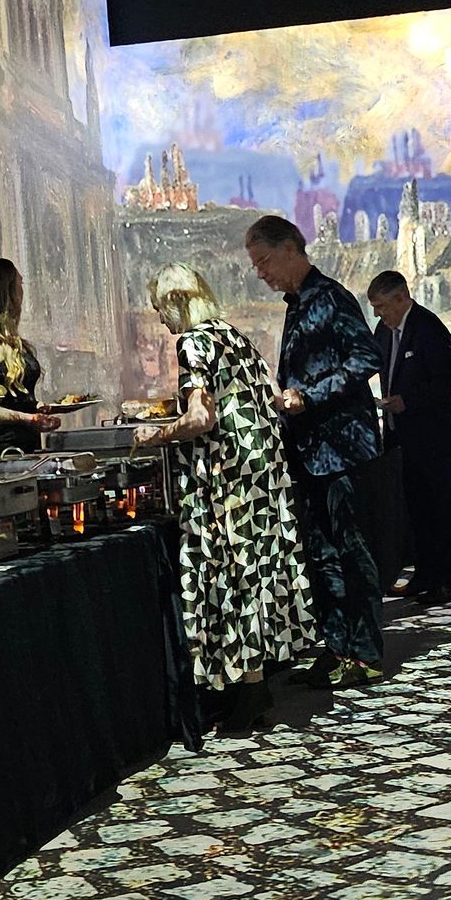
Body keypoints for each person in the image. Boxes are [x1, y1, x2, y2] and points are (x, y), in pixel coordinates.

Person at [146, 265, 316, 729]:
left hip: (229, 481)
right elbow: (273, 398)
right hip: (263, 477)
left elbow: (200, 417)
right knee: (256, 576)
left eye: (160, 308)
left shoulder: (193, 342)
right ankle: (252, 684)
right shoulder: (234, 335)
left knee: (233, 577)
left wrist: (157, 435)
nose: (159, 319)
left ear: (176, 303)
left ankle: (247, 689)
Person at [246, 212, 385, 689]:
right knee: (324, 556)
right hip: (311, 451)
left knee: (352, 552)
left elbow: (366, 357)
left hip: (343, 449)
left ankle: (365, 654)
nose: (260, 273)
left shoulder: (331, 298)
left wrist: (309, 395)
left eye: (264, 261)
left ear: (290, 249)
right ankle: (337, 648)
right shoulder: (297, 303)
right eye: (256, 265)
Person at [368, 269, 451, 606]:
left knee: (440, 510)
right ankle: (422, 575)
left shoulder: (428, 327)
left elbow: (448, 378)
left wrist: (408, 401)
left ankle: (445, 581)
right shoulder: (384, 330)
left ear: (401, 298)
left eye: (382, 306)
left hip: (435, 437)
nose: (378, 314)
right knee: (416, 511)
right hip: (402, 436)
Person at [0, 256, 60, 453]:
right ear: (7, 292)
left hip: (25, 448)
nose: (22, 292)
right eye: (19, 284)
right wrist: (28, 418)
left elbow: (14, 397)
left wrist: (37, 406)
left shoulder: (10, 340)